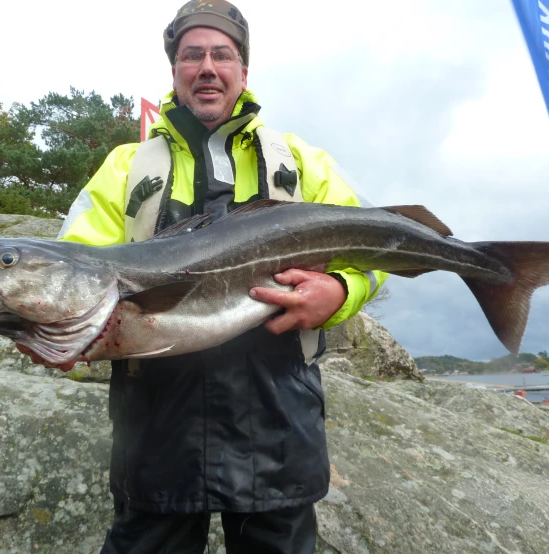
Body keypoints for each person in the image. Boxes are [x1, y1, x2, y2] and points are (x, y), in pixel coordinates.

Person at [21, 1, 386, 552]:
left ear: (243, 70)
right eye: (192, 55)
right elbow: (73, 266)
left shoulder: (303, 161)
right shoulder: (125, 165)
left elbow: (377, 253)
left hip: (279, 423)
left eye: (223, 54)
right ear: (174, 71)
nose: (207, 67)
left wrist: (340, 292)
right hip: (155, 430)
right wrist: (51, 327)